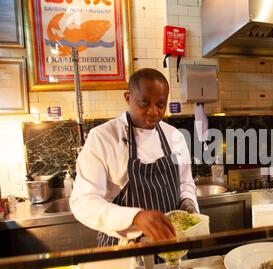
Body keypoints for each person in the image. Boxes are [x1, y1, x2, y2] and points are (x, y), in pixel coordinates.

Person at [70, 68, 199, 246]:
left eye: (160, 105)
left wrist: (188, 204)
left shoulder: (175, 137)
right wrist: (136, 217)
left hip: (170, 244)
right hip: (123, 250)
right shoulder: (102, 138)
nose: (153, 111)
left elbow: (185, 183)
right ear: (128, 97)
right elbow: (83, 202)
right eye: (144, 103)